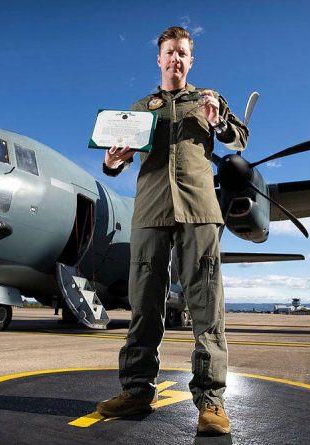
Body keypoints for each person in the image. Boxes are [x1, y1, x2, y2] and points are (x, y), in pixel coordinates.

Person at [96, 26, 248, 435]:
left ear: (190, 60)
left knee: (206, 307)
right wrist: (112, 160)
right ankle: (136, 391)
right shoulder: (141, 107)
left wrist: (219, 123)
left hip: (199, 211)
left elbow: (240, 139)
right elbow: (116, 162)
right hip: (150, 213)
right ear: (159, 59)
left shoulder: (209, 101)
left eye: (182, 52)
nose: (176, 59)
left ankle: (211, 402)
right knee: (144, 304)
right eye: (169, 52)